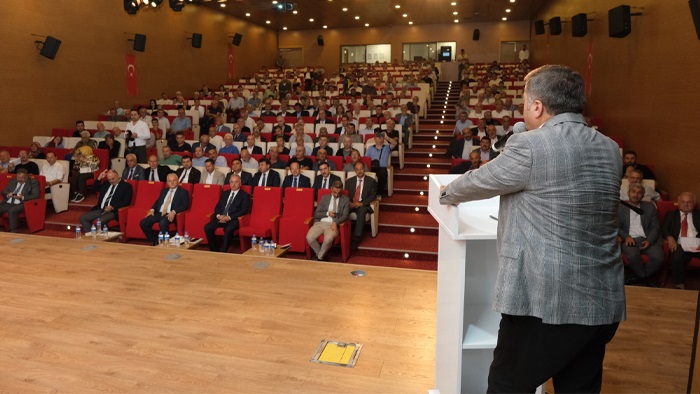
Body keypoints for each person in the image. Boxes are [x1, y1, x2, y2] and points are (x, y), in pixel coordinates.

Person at [439, 65, 624, 392]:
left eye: (526, 102)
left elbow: (477, 183)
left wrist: (446, 193)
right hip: (601, 301)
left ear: (537, 106)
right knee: (578, 387)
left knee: (506, 385)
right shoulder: (609, 147)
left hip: (546, 302)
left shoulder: (531, 147)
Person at [618, 183, 664, 287]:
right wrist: (626, 237)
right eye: (633, 192)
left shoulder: (649, 207)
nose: (636, 195)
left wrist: (650, 240)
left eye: (639, 193)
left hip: (646, 239)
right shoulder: (620, 208)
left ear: (643, 195)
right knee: (633, 256)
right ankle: (646, 278)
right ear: (628, 194)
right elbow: (616, 226)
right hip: (630, 240)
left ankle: (639, 277)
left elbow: (655, 227)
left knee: (659, 257)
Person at [204, 174, 251, 252]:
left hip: (234, 219)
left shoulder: (245, 196)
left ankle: (223, 250)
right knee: (208, 227)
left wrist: (229, 217)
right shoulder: (225, 193)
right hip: (221, 217)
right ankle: (214, 249)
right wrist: (219, 216)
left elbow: (243, 211)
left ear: (240, 183)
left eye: (236, 182)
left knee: (228, 229)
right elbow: (217, 207)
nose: (234, 184)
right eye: (231, 182)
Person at [139, 173, 190, 246]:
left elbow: (185, 206)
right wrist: (152, 209)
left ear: (178, 181)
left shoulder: (183, 192)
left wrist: (174, 211)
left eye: (174, 180)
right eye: (169, 181)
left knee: (163, 223)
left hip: (170, 213)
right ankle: (155, 241)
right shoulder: (164, 191)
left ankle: (166, 243)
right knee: (143, 222)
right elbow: (158, 201)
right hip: (159, 213)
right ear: (167, 182)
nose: (172, 183)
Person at [663, 192, 700, 290]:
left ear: (694, 203)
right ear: (678, 203)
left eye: (689, 202)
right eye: (683, 202)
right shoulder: (671, 215)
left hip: (697, 243)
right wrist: (670, 237)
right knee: (677, 256)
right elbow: (665, 229)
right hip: (681, 244)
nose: (686, 204)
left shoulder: (698, 215)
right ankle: (679, 284)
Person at [306, 180, 350, 261]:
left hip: (332, 225)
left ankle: (319, 257)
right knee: (309, 238)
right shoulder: (324, 198)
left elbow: (345, 215)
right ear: (331, 189)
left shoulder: (346, 200)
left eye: (339, 193)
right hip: (320, 223)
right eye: (334, 192)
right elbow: (316, 214)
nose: (336, 195)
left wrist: (335, 223)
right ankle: (321, 255)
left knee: (328, 239)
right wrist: (327, 213)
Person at [345, 161, 377, 250]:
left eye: (361, 169)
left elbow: (373, 195)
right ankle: (342, 234)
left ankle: (356, 237)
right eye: (357, 169)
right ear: (355, 170)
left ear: (364, 169)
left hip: (363, 204)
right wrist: (349, 203)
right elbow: (345, 194)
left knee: (362, 211)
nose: (360, 171)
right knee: (343, 209)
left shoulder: (371, 181)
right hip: (351, 204)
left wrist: (362, 203)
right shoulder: (350, 181)